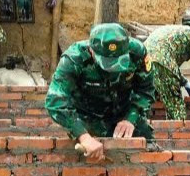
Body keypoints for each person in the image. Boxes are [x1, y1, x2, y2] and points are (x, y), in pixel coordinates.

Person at [46, 23, 156, 161]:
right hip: (88, 116)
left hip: (123, 113)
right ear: (92, 51)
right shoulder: (74, 59)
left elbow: (146, 90)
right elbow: (55, 100)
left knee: (148, 149)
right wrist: (83, 136)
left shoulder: (138, 53)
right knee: (89, 159)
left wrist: (131, 118)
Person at [146, 16, 190, 121]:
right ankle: (178, 134)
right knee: (176, 109)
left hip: (145, 63)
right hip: (162, 64)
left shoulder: (176, 31)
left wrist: (184, 82)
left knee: (147, 102)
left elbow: (165, 59)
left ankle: (142, 133)